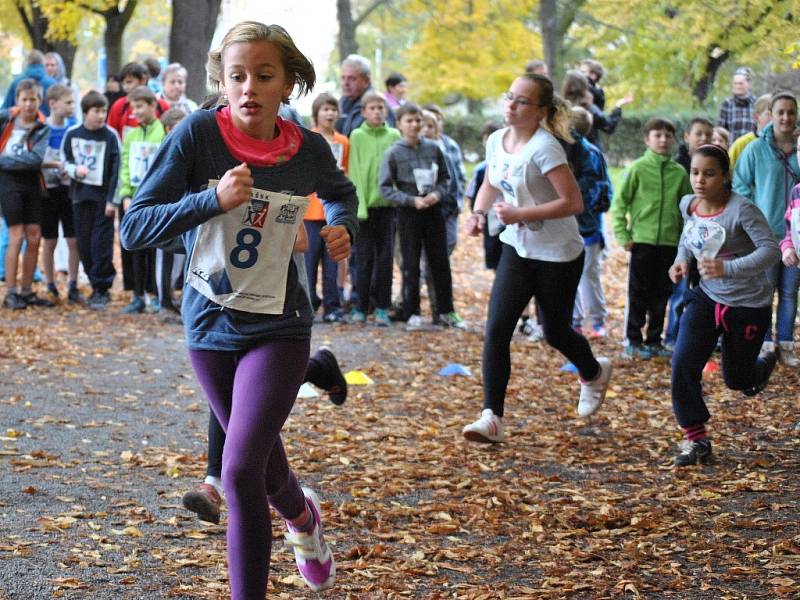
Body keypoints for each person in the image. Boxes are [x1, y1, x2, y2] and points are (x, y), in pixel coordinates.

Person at [120, 21, 357, 597]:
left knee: (240, 470)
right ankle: (303, 520)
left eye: (264, 75)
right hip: (208, 323)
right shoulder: (198, 134)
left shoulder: (309, 149)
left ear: (288, 84)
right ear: (221, 83)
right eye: (237, 76)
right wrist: (210, 200)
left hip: (279, 323)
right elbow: (134, 227)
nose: (249, 86)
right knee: (266, 468)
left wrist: (341, 227)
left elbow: (341, 193)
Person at [460, 74, 613, 443]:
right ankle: (492, 418)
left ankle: (593, 372)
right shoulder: (497, 140)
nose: (511, 105)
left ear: (541, 111)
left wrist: (520, 214)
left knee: (554, 331)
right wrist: (480, 214)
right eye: (509, 97)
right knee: (496, 330)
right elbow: (490, 184)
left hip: (557, 254)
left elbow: (573, 203)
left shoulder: (546, 148)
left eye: (522, 101)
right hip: (517, 247)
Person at [669, 144, 779, 466]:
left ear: (726, 176)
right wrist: (681, 260)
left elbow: (770, 250)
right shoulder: (689, 204)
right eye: (695, 172)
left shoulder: (742, 210)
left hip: (747, 303)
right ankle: (696, 439)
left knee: (737, 380)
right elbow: (689, 238)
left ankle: (758, 369)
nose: (700, 180)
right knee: (682, 364)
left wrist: (727, 268)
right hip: (706, 297)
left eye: (709, 173)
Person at [379, 102, 466, 331]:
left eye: (418, 120)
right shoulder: (394, 153)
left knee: (440, 263)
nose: (415, 125)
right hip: (409, 213)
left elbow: (447, 178)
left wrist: (437, 194)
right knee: (410, 264)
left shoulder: (434, 148)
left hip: (433, 210)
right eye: (409, 120)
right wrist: (410, 200)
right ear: (399, 124)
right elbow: (385, 188)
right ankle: (412, 312)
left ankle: (446, 311)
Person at [611, 117, 692, 359]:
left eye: (668, 136)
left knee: (662, 294)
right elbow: (619, 204)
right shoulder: (637, 169)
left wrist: (684, 243)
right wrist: (623, 234)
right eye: (658, 135)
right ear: (647, 140)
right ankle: (633, 341)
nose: (663, 140)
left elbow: (688, 209)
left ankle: (654, 340)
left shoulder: (679, 173)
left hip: (669, 244)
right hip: (642, 242)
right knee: (638, 294)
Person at [733, 92, 800, 367]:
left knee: (789, 292)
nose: (785, 117)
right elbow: (740, 185)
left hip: (795, 236)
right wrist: (753, 218)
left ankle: (785, 343)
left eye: (790, 112)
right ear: (770, 114)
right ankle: (762, 343)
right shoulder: (755, 150)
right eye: (780, 112)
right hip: (766, 235)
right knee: (764, 290)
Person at [62, 91, 121, 310]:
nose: (101, 115)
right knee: (84, 244)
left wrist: (112, 201)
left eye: (104, 110)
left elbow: (117, 169)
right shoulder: (73, 134)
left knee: (101, 244)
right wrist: (76, 170)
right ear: (86, 112)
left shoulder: (111, 136)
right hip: (80, 197)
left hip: (102, 200)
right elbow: (64, 160)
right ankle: (93, 281)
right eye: (96, 111)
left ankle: (102, 288)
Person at [348, 90, 401, 326]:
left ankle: (382, 307)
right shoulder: (357, 135)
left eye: (381, 107)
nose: (378, 111)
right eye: (373, 108)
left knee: (385, 259)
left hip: (387, 206)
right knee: (363, 258)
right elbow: (355, 171)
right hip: (364, 209)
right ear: (364, 112)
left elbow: (398, 168)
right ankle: (360, 306)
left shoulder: (394, 134)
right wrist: (358, 206)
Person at [0, 79, 53, 310]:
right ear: (18, 100)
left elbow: (35, 160)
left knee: (34, 236)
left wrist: (4, 161)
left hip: (32, 183)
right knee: (16, 235)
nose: (29, 104)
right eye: (25, 99)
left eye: (33, 99)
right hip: (8, 184)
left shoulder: (43, 127)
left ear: (40, 101)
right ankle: (11, 292)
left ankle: (27, 289)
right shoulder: (5, 119)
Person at [666, 117, 714, 349]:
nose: (703, 138)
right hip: (683, 240)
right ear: (687, 137)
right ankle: (673, 337)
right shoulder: (679, 167)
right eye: (698, 133)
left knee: (705, 292)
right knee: (680, 291)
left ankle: (703, 338)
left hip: (709, 244)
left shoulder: (716, 165)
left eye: (707, 133)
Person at [119, 86, 166, 314]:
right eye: (132, 107)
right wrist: (126, 194)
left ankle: (156, 294)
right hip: (135, 199)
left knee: (155, 248)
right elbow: (126, 165)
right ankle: (137, 295)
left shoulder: (163, 132)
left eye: (139, 106)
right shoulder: (132, 135)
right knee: (136, 248)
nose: (135, 111)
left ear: (152, 105)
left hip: (157, 199)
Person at [306, 92, 348, 323]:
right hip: (311, 211)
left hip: (334, 212)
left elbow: (347, 174)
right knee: (310, 262)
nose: (330, 113)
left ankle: (333, 306)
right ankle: (309, 303)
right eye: (325, 109)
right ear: (317, 113)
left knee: (333, 262)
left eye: (333, 109)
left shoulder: (343, 142)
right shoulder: (309, 138)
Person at [570, 106, 611, 338]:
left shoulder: (589, 154)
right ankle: (587, 321)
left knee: (585, 273)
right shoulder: (593, 152)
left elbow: (597, 189)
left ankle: (590, 321)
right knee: (586, 273)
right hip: (587, 224)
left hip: (584, 225)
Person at [40, 84, 82, 304]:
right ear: (52, 104)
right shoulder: (41, 129)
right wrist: (54, 164)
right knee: (50, 240)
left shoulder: (73, 128)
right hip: (47, 191)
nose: (71, 107)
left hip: (69, 190)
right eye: (68, 102)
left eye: (73, 103)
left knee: (73, 239)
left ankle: (73, 283)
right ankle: (50, 284)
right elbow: (35, 159)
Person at [154, 107, 190, 317]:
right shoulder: (164, 150)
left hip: (185, 210)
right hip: (166, 211)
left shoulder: (189, 148)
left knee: (186, 255)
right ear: (169, 129)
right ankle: (164, 303)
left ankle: (183, 301)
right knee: (165, 255)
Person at [464, 121, 503, 271]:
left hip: (512, 221)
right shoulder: (481, 169)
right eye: (486, 138)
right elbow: (473, 194)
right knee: (493, 254)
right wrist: (477, 214)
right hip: (490, 220)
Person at [561, 70, 632, 151]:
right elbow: (608, 126)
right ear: (584, 86)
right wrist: (618, 107)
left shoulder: (562, 108)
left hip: (567, 152)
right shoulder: (590, 109)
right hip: (590, 152)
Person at [106, 62, 171, 139]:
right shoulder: (119, 105)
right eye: (123, 84)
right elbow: (111, 133)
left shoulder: (161, 105)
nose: (125, 87)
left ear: (143, 80)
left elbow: (170, 132)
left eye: (129, 82)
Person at [336, 54, 394, 136]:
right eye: (343, 78)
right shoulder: (341, 103)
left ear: (367, 81)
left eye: (352, 78)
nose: (345, 83)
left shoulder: (379, 103)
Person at [2, 50, 56, 116]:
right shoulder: (52, 83)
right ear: (43, 63)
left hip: (20, 122)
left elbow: (6, 107)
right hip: (44, 122)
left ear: (27, 63)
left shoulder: (16, 82)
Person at [729, 94, 772, 169]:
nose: (774, 119)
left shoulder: (785, 145)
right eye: (769, 114)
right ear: (756, 117)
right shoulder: (741, 144)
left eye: (778, 114)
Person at [717, 67, 756, 143]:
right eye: (735, 83)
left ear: (749, 84)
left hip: (752, 150)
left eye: (741, 83)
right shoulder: (726, 104)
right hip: (732, 150)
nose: (738, 86)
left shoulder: (756, 103)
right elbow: (719, 131)